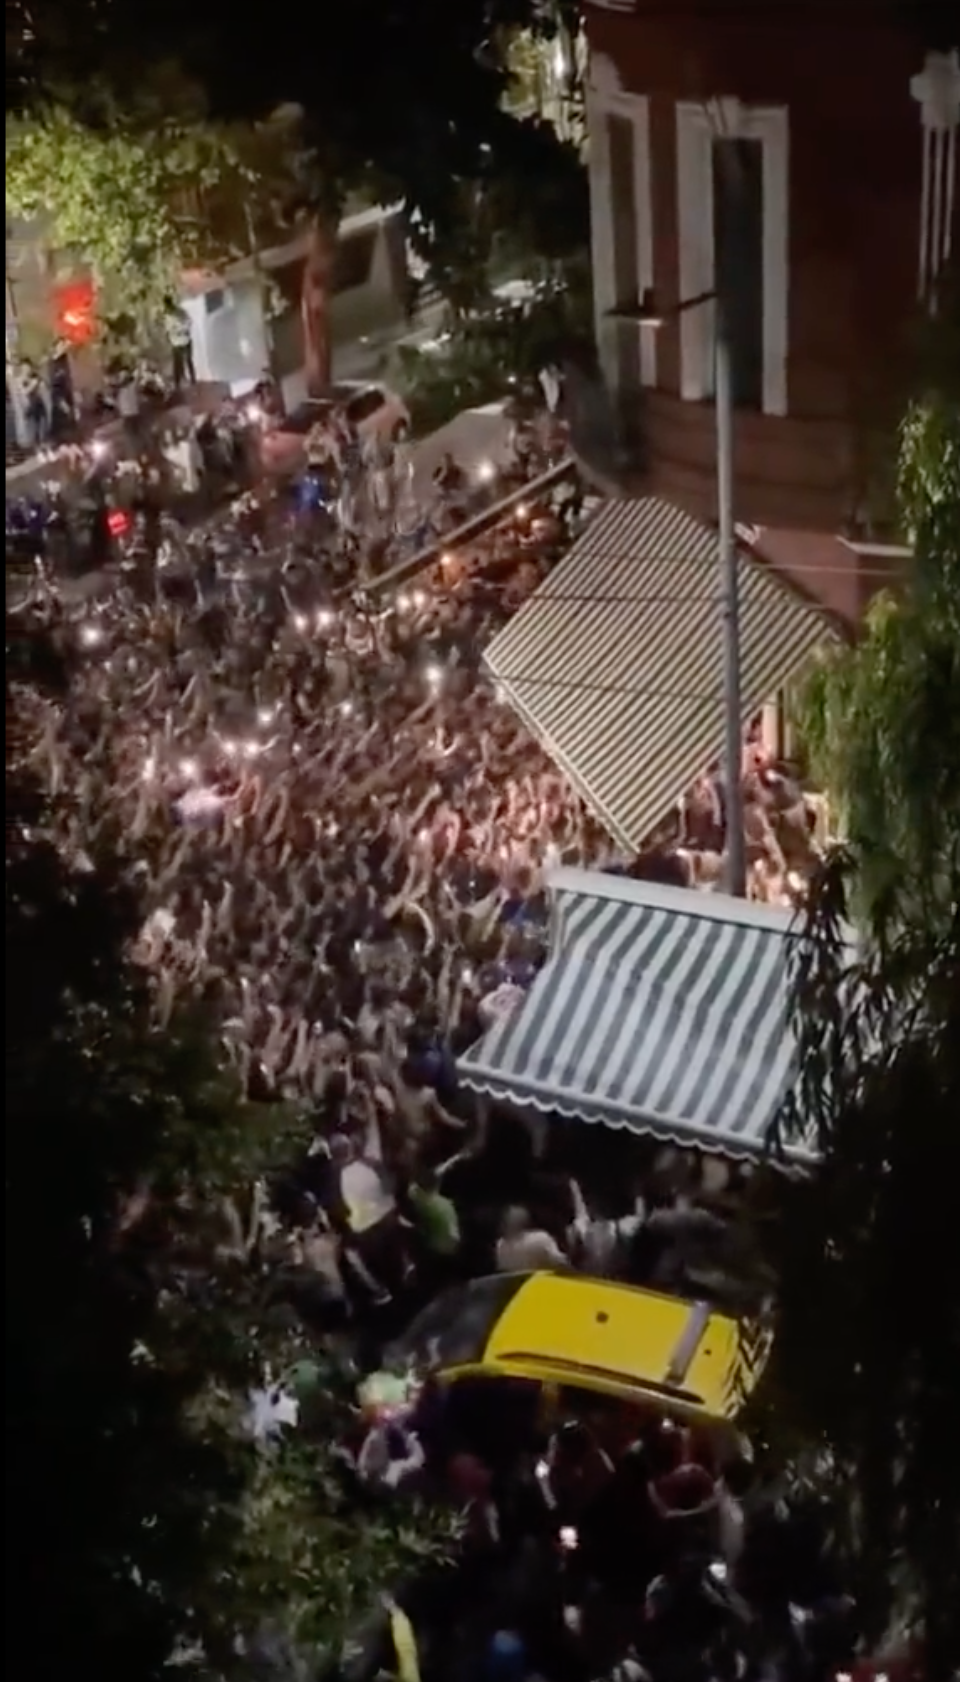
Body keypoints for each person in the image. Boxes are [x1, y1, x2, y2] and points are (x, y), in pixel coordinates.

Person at [495, 1207, 566, 1273]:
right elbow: (560, 1263)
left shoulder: (500, 1245)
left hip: (516, 1285)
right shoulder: (539, 1239)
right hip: (543, 1282)